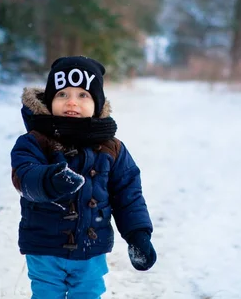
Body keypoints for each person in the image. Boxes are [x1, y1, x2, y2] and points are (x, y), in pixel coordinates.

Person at [10, 56, 156, 299]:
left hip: (91, 247)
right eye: (62, 94)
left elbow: (128, 195)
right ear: (49, 100)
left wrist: (137, 234)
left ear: (97, 104)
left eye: (82, 95)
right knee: (46, 294)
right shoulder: (34, 141)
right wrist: (49, 180)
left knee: (88, 294)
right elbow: (24, 176)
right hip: (45, 246)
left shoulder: (112, 148)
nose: (72, 102)